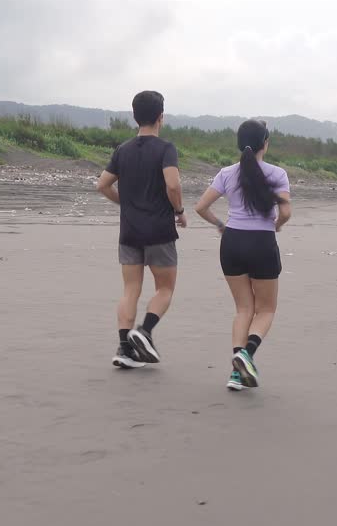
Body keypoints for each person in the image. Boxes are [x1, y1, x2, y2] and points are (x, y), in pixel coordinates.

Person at [194, 119, 291, 391]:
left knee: (243, 309)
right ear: (265, 144)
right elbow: (285, 212)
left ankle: (237, 374)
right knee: (266, 309)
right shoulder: (277, 174)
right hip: (262, 242)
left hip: (232, 242)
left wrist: (220, 225)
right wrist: (277, 225)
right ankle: (246, 355)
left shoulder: (226, 173)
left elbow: (200, 207)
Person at [97, 90, 186, 369]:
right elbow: (173, 184)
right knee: (165, 289)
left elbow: (102, 184)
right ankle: (144, 331)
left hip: (130, 232)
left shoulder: (122, 150)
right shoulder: (165, 149)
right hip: (159, 230)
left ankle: (124, 349)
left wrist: (125, 203)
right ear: (161, 117)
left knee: (130, 290)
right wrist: (179, 211)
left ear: (135, 117)